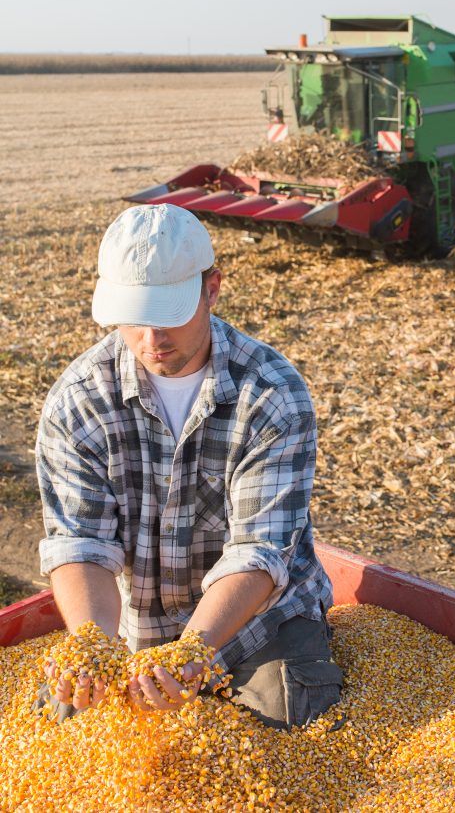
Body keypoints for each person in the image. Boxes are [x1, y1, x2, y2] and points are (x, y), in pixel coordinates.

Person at [34, 203, 342, 728]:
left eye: (170, 314)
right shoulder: (80, 400)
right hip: (135, 625)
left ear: (212, 289)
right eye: (135, 318)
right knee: (63, 719)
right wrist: (93, 644)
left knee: (291, 719)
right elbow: (80, 543)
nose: (151, 339)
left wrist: (192, 652)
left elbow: (259, 551)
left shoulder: (270, 393)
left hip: (258, 623)